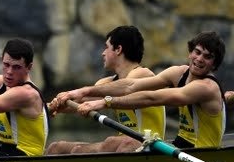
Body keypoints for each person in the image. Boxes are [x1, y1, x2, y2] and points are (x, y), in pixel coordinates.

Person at [52, 31, 227, 149]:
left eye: (208, 57)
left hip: (202, 155)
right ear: (190, 52)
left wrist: (106, 102)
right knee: (56, 147)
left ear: (214, 64)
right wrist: (82, 92)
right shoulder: (178, 73)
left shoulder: (206, 88)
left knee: (116, 142)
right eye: (197, 52)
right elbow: (130, 86)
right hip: (179, 146)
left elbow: (153, 98)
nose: (199, 59)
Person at [46, 26, 166, 154]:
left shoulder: (144, 75)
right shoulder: (106, 83)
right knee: (56, 147)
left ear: (118, 49)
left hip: (149, 144)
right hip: (121, 143)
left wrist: (81, 91)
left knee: (109, 143)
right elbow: (82, 102)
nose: (103, 53)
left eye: (107, 47)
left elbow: (125, 86)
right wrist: (55, 106)